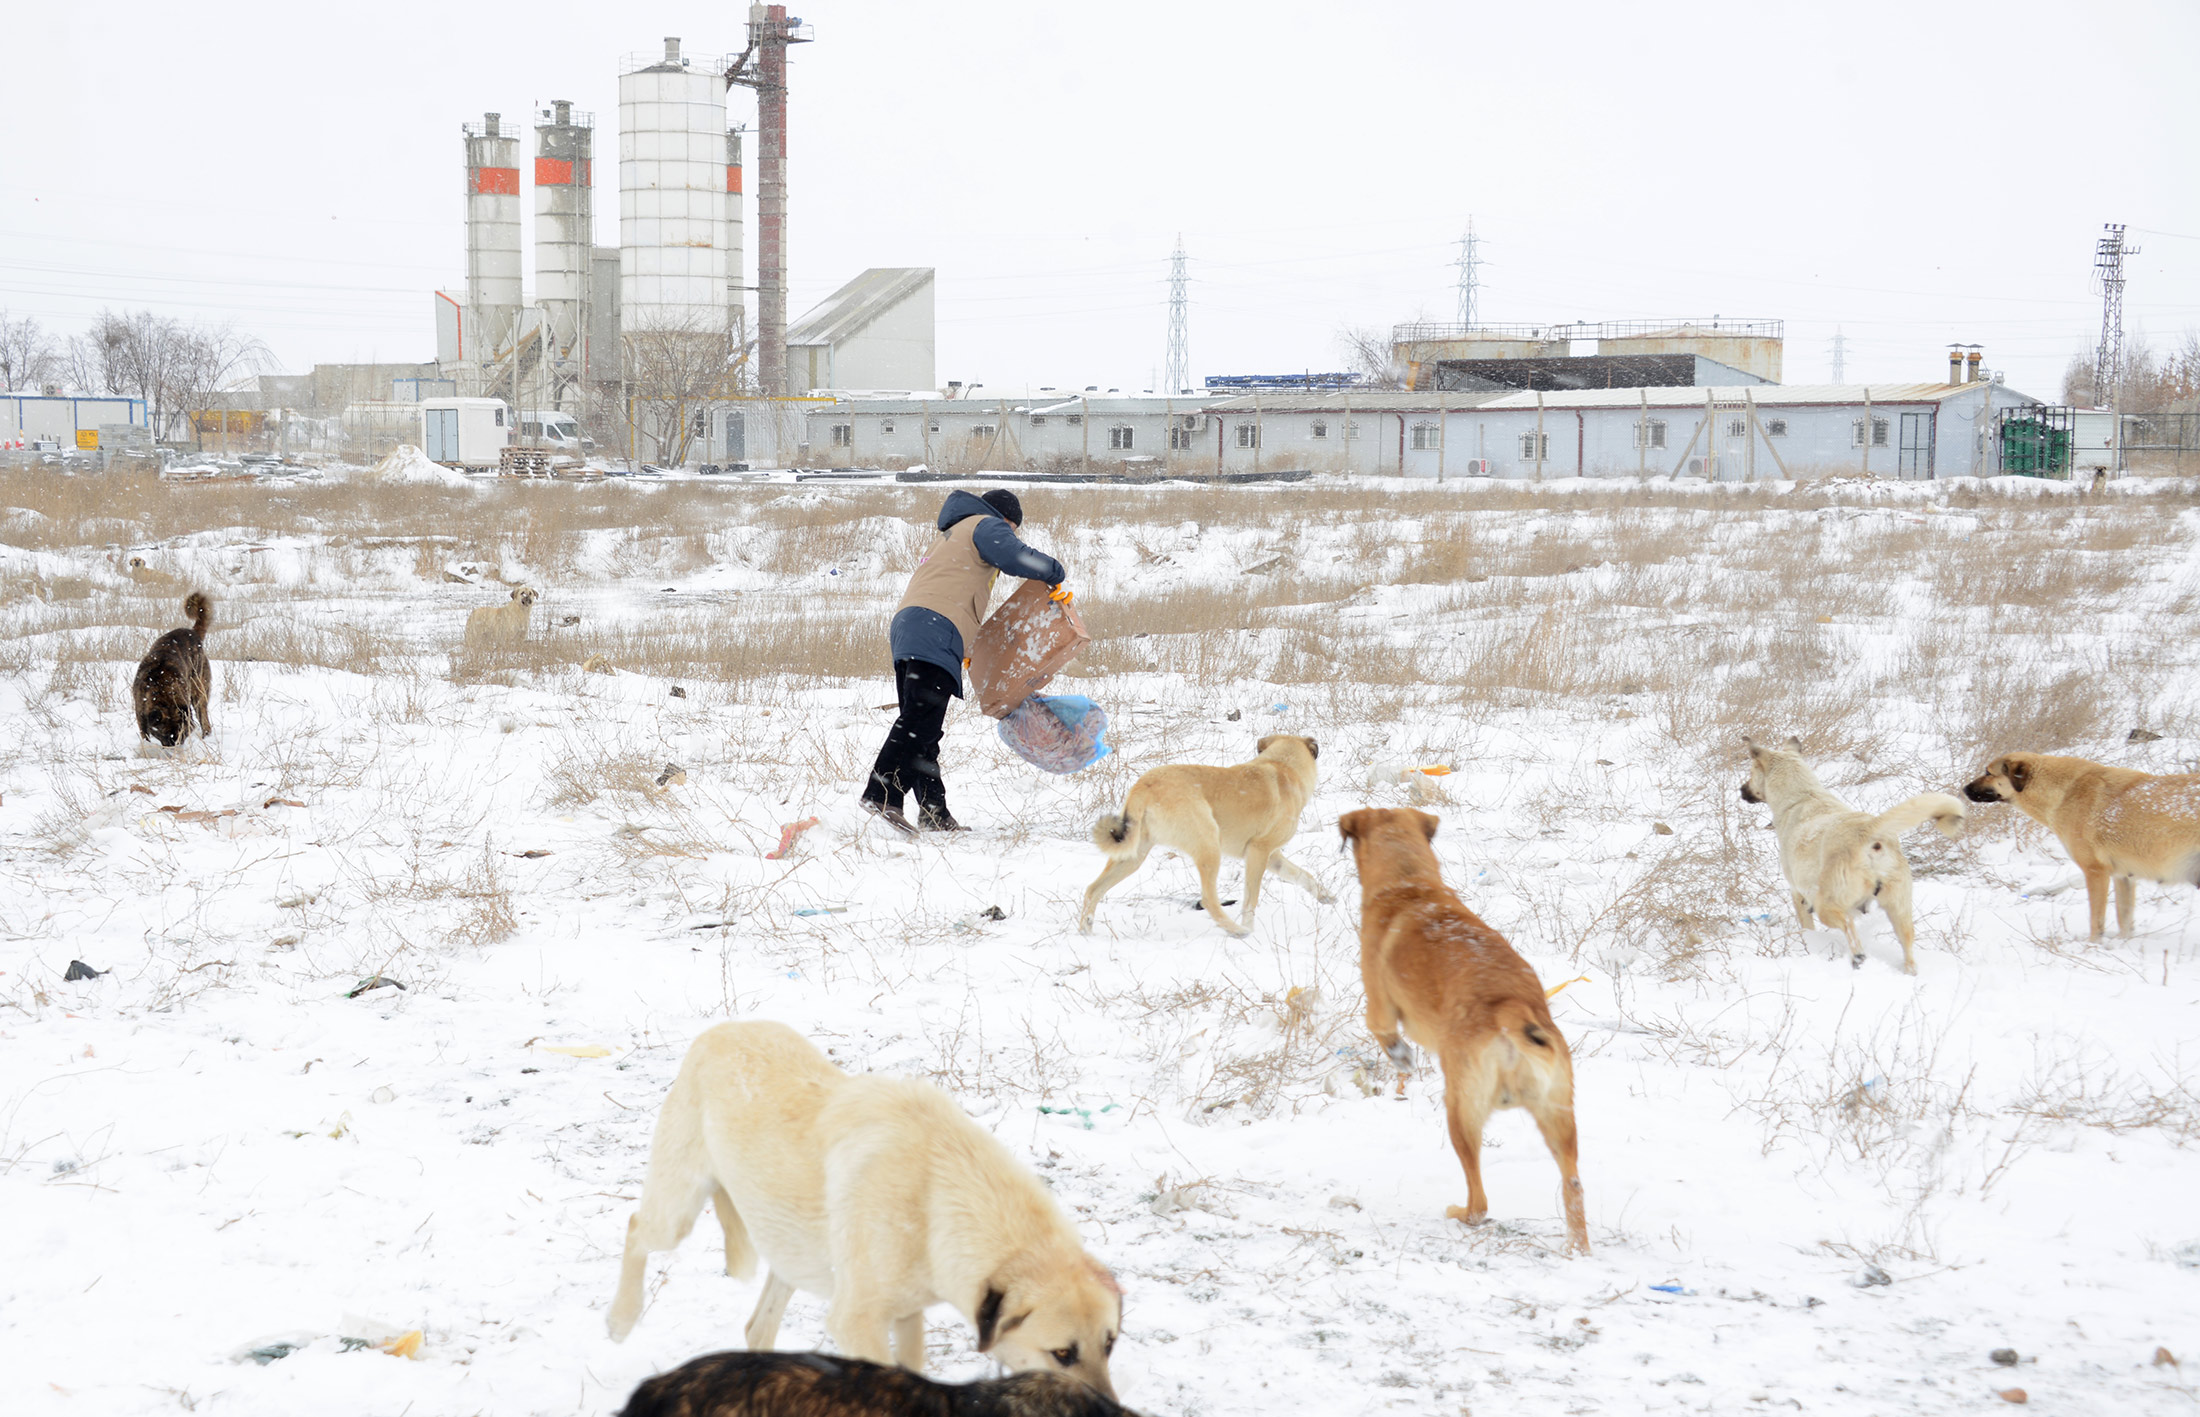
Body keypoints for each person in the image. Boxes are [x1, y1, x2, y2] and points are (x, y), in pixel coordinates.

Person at [862, 488, 1067, 834]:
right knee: (921, 721)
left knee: (923, 727)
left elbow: (955, 587)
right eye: (1012, 527)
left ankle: (933, 812)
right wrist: (1054, 572)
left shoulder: (951, 534)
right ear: (1004, 519)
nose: (1011, 534)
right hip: (935, 625)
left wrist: (965, 646)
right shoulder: (985, 524)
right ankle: (882, 793)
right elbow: (1017, 557)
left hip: (913, 625)